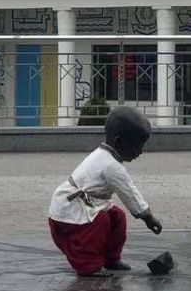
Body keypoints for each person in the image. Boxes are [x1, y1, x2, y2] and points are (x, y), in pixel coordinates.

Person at [48, 106, 163, 277]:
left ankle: (111, 259)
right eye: (136, 146)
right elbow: (130, 194)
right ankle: (88, 266)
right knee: (100, 221)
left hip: (81, 205)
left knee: (117, 216)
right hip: (68, 213)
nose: (140, 152)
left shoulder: (104, 155)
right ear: (118, 141)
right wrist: (148, 217)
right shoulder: (111, 166)